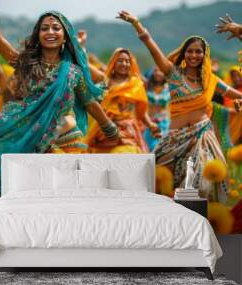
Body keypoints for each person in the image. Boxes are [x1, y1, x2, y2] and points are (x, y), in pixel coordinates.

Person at [0, 0, 120, 198]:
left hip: (66, 143)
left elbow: (89, 102)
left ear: (65, 36)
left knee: (65, 198)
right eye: (45, 28)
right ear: (38, 35)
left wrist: (110, 128)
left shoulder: (74, 72)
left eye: (56, 28)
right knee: (28, 197)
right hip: (29, 138)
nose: (50, 32)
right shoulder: (26, 64)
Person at [118, 11, 242, 202]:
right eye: (190, 51)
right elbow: (152, 48)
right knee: (160, 184)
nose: (194, 55)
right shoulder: (173, 73)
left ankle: (203, 225)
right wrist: (136, 23)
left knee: (203, 185)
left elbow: (238, 95)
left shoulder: (211, 81)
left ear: (205, 54)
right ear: (184, 53)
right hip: (174, 140)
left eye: (198, 51)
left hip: (203, 139)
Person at [86, 48, 160, 154]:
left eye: (127, 61)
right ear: (113, 63)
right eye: (120, 60)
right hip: (105, 129)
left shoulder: (136, 84)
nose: (124, 64)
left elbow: (141, 112)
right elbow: (86, 68)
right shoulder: (105, 83)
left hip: (128, 130)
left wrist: (150, 125)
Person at [143, 67, 171, 151]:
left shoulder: (169, 87)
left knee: (163, 148)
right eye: (155, 70)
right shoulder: (147, 86)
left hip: (164, 123)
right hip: (150, 123)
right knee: (148, 148)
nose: (158, 73)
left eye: (161, 71)